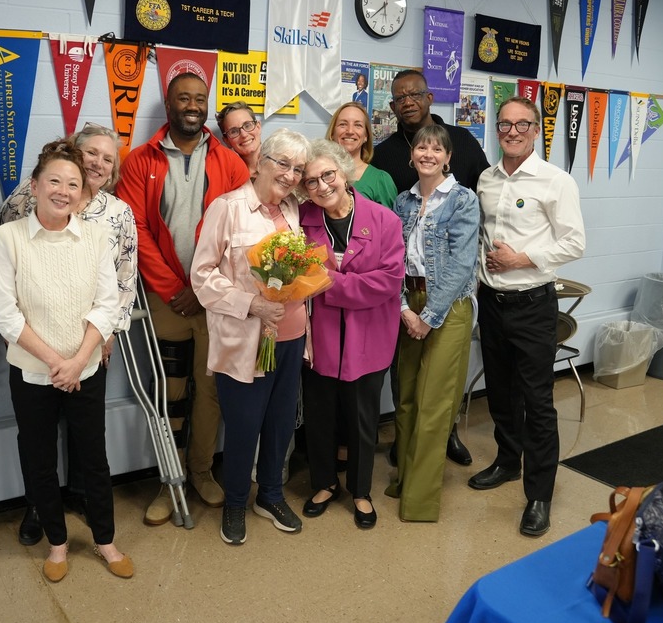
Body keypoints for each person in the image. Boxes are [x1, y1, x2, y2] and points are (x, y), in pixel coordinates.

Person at [0, 139, 133, 581]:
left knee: (94, 458)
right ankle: (57, 544)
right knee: (39, 457)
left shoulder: (98, 235)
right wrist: (55, 362)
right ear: (35, 185)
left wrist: (79, 359)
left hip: (86, 368)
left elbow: (107, 304)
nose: (64, 190)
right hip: (33, 372)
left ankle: (105, 541)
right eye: (55, 181)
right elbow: (4, 313)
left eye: (73, 182)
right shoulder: (6, 239)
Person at [116, 72, 250, 525]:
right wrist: (175, 289)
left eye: (199, 98)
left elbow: (240, 231)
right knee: (167, 391)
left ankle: (200, 472)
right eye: (182, 98)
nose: (192, 105)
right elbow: (134, 228)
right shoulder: (140, 161)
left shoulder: (230, 162)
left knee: (210, 389)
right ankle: (166, 478)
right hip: (166, 299)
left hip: (214, 301)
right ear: (169, 105)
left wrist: (205, 289)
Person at [469, 97, 586, 537]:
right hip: (493, 304)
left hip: (534, 304)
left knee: (537, 402)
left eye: (522, 124)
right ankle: (506, 461)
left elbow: (574, 243)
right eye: (505, 124)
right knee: (500, 393)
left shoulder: (556, 181)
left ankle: (540, 494)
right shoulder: (486, 178)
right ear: (497, 130)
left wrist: (524, 258)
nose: (512, 131)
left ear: (536, 130)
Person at [191, 129, 313, 545]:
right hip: (246, 339)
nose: (291, 175)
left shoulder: (295, 210)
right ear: (260, 161)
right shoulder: (227, 208)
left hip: (291, 337)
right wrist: (251, 304)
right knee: (244, 427)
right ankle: (237, 502)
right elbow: (202, 276)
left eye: (298, 169)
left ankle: (271, 496)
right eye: (283, 164)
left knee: (280, 425)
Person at [371, 68, 488, 467]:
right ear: (392, 106)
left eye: (415, 94)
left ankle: (446, 434)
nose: (407, 101)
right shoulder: (385, 154)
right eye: (399, 97)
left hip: (450, 280)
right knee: (405, 379)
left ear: (429, 97)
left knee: (442, 381)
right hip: (406, 286)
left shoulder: (463, 141)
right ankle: (405, 447)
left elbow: (482, 195)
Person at [298, 138, 404, 530]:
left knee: (363, 418)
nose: (322, 185)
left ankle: (360, 491)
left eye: (329, 174)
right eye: (311, 181)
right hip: (320, 336)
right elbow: (296, 274)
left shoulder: (384, 220)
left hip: (369, 337)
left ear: (344, 172)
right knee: (321, 414)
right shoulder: (302, 219)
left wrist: (330, 283)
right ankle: (324, 483)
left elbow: (389, 281)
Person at [387, 125, 479, 522]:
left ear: (447, 157)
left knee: (433, 403)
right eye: (421, 147)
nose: (427, 153)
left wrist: (428, 316)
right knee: (405, 398)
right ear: (413, 156)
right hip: (410, 302)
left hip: (449, 306)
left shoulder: (463, 200)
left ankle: (420, 501)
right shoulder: (402, 201)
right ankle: (405, 479)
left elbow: (461, 264)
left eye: (435, 148)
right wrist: (405, 309)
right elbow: (392, 260)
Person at [325, 101, 396, 208]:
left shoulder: (380, 180)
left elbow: (391, 223)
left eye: (358, 125)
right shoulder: (319, 174)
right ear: (332, 133)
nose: (349, 131)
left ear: (366, 136)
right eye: (343, 124)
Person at [216, 101, 263, 177]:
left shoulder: (281, 166)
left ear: (258, 127)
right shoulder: (228, 177)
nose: (244, 135)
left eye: (247, 125)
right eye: (234, 131)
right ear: (227, 140)